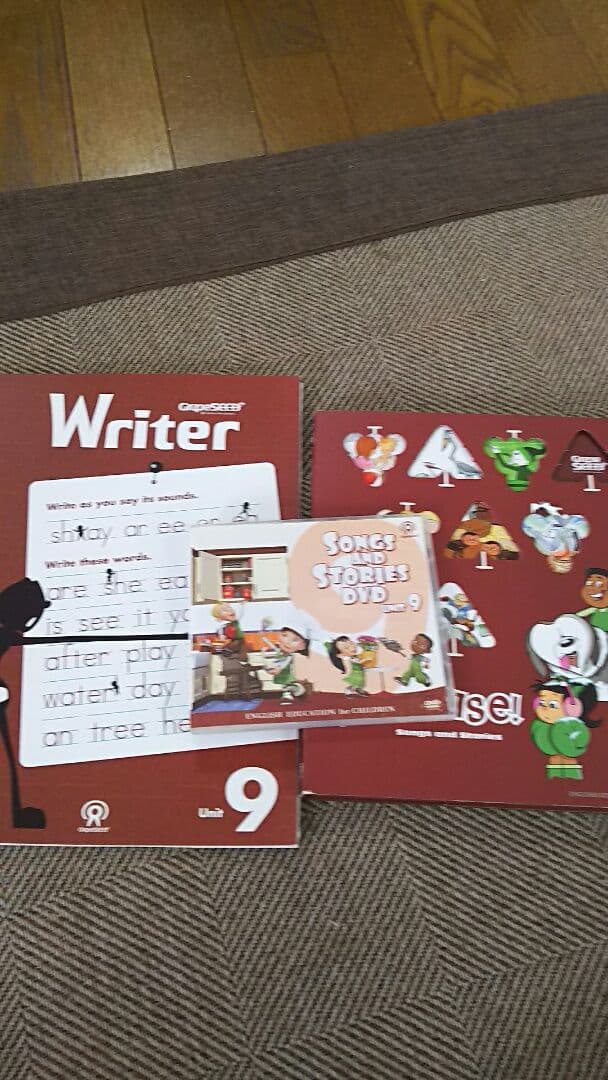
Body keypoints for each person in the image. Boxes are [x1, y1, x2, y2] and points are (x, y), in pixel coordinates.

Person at [530, 680, 599, 780]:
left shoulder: (575, 726)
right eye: (541, 703)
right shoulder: (540, 727)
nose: (544, 709)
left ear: (570, 708)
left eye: (552, 705)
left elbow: (578, 746)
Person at [263, 627, 309, 704]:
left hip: (286, 673)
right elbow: (272, 646)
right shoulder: (279, 651)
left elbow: (284, 663)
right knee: (284, 685)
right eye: (284, 636)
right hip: (280, 673)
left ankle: (289, 695)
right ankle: (292, 691)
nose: (287, 643)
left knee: (286, 685)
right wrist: (265, 640)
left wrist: (279, 668)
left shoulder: (289, 656)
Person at [578, 567, 608, 632]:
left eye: (599, 584)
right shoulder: (593, 609)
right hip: (595, 635)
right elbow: (578, 615)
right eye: (589, 584)